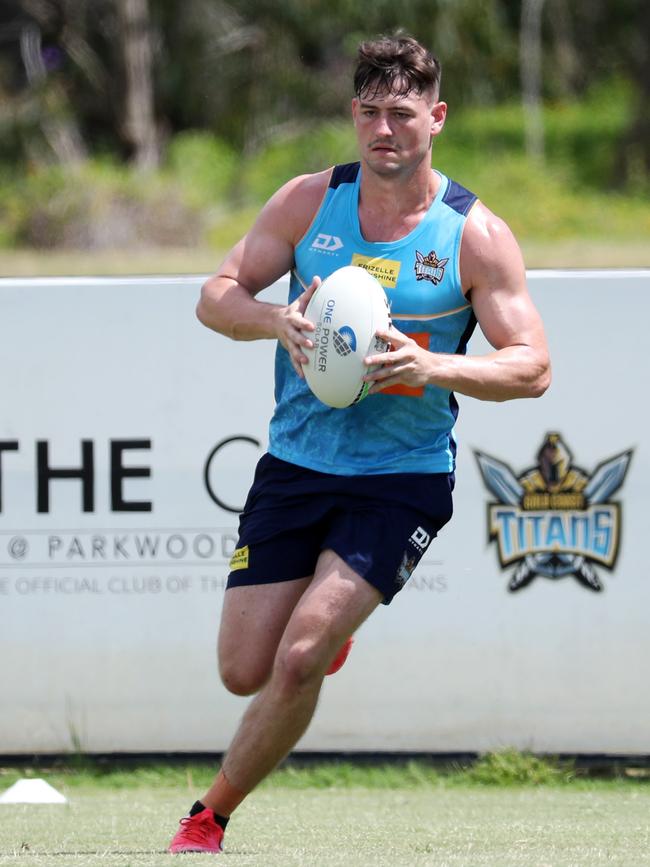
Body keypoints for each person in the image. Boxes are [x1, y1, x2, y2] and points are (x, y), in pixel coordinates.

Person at [169, 32, 550, 854]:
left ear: (436, 118)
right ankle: (318, 646)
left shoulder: (473, 235)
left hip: (402, 477)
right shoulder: (310, 202)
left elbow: (533, 366)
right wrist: (274, 317)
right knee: (245, 668)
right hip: (298, 463)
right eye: (371, 112)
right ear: (353, 115)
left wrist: (432, 364)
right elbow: (216, 294)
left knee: (301, 654)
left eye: (403, 114)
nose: (386, 129)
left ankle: (209, 816)